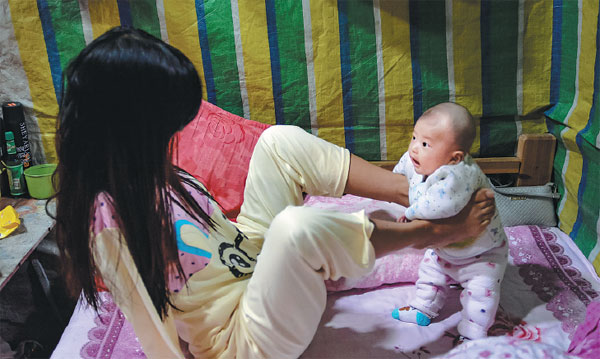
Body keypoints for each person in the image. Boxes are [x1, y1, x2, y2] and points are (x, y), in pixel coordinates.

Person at [53, 27, 496, 359]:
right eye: (168, 124)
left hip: (250, 260)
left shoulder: (144, 169)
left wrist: (277, 265)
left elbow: (224, 237)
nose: (177, 133)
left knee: (278, 142)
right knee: (296, 227)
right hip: (242, 337)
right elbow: (153, 331)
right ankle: (432, 230)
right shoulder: (107, 219)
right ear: (130, 125)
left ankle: (411, 192)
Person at [390, 102, 508, 342]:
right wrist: (397, 176)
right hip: (445, 247)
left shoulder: (458, 174)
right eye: (414, 137)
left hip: (482, 254)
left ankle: (473, 332)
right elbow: (401, 170)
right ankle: (423, 308)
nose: (414, 148)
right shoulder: (418, 160)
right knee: (429, 274)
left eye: (425, 144)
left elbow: (441, 205)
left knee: (480, 295)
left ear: (455, 158)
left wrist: (411, 213)